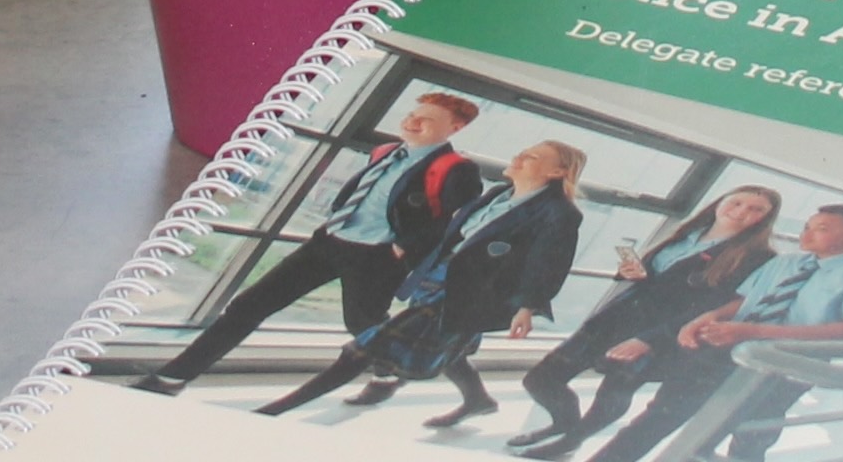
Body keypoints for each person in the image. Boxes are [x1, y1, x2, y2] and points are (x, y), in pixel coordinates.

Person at [138, 93, 493, 395]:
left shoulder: (458, 170)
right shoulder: (386, 150)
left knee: (363, 325)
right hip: (328, 243)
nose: (413, 123)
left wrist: (401, 250)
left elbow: (454, 224)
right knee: (248, 306)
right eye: (412, 115)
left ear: (455, 128)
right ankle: (172, 377)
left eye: (426, 120)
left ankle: (387, 376)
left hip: (375, 258)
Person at [257, 139, 588, 426]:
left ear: (557, 173)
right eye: (523, 152)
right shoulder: (500, 193)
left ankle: (275, 410)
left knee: (362, 349)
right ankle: (478, 401)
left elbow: (548, 265)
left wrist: (527, 306)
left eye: (531, 157)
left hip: (472, 293)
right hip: (440, 278)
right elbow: (457, 236)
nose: (518, 158)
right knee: (450, 350)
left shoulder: (560, 213)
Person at [592, 201, 843, 462]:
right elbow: (743, 301)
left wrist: (753, 331)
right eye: (808, 225)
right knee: (657, 417)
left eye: (821, 229)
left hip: (783, 372)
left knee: (746, 439)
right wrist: (708, 317)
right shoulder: (787, 262)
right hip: (724, 353)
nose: (806, 233)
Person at [512, 187, 782, 454]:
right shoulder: (685, 234)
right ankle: (565, 424)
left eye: (755, 209)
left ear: (765, 220)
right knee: (541, 379)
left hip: (657, 334)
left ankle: (572, 440)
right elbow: (658, 278)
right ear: (719, 203)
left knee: (615, 390)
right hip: (615, 320)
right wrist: (630, 273)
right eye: (736, 202)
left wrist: (650, 340)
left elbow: (714, 307)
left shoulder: (759, 258)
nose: (742, 211)